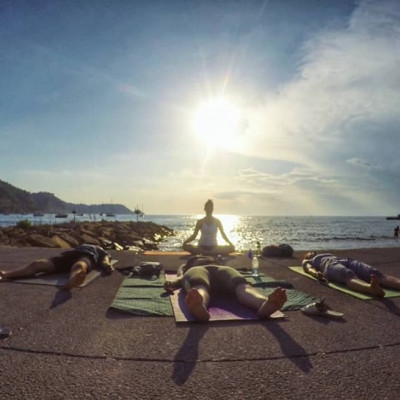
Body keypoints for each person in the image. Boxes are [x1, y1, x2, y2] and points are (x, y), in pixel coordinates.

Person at [164, 255, 287, 321]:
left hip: (207, 270)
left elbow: (181, 275)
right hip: (217, 270)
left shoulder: (191, 264)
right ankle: (263, 303)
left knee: (200, 285)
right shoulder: (194, 264)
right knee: (242, 287)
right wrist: (174, 282)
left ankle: (200, 305)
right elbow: (181, 274)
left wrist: (174, 282)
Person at [0, 244, 114, 290]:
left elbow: (105, 261)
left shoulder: (100, 251)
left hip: (87, 256)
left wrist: (108, 266)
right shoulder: (82, 245)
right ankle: (6, 274)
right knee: (37, 264)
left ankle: (71, 282)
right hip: (68, 256)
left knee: (79, 266)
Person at [302, 251, 400, 297]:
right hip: (329, 265)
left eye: (312, 252)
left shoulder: (324, 254)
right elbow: (308, 269)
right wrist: (315, 273)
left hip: (346, 260)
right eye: (309, 253)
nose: (312, 252)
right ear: (306, 256)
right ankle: (370, 288)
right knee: (348, 274)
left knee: (376, 273)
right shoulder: (309, 260)